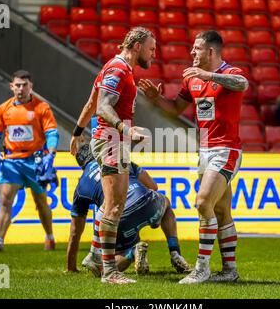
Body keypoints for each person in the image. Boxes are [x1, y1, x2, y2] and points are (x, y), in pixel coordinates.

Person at [139, 30, 249, 284]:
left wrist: (208, 75)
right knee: (221, 210)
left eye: (197, 48)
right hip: (204, 151)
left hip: (227, 149)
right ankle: (230, 271)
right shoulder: (192, 80)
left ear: (210, 51)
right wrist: (157, 101)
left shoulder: (230, 74)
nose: (191, 53)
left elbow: (242, 84)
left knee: (202, 203)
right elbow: (176, 108)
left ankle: (202, 268)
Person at [69, 27, 156, 284]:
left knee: (111, 206)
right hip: (111, 141)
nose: (154, 54)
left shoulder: (116, 68)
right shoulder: (118, 69)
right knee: (114, 206)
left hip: (111, 140)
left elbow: (91, 104)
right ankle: (109, 271)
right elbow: (104, 107)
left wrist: (77, 131)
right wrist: (124, 129)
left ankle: (100, 261)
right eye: (151, 48)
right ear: (137, 46)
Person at [66, 144, 191, 276]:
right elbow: (153, 186)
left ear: (81, 165)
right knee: (165, 203)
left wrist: (71, 267)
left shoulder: (81, 187)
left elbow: (75, 232)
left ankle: (132, 253)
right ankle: (175, 252)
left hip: (119, 218)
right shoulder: (119, 160)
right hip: (148, 205)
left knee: (112, 260)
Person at [0, 70, 59, 252]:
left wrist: (51, 153)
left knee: (41, 202)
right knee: (5, 201)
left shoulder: (42, 108)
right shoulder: (4, 108)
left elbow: (52, 133)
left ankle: (49, 236)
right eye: (17, 85)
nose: (20, 89)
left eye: (24, 85)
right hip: (11, 161)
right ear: (11, 86)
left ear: (31, 87)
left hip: (35, 161)